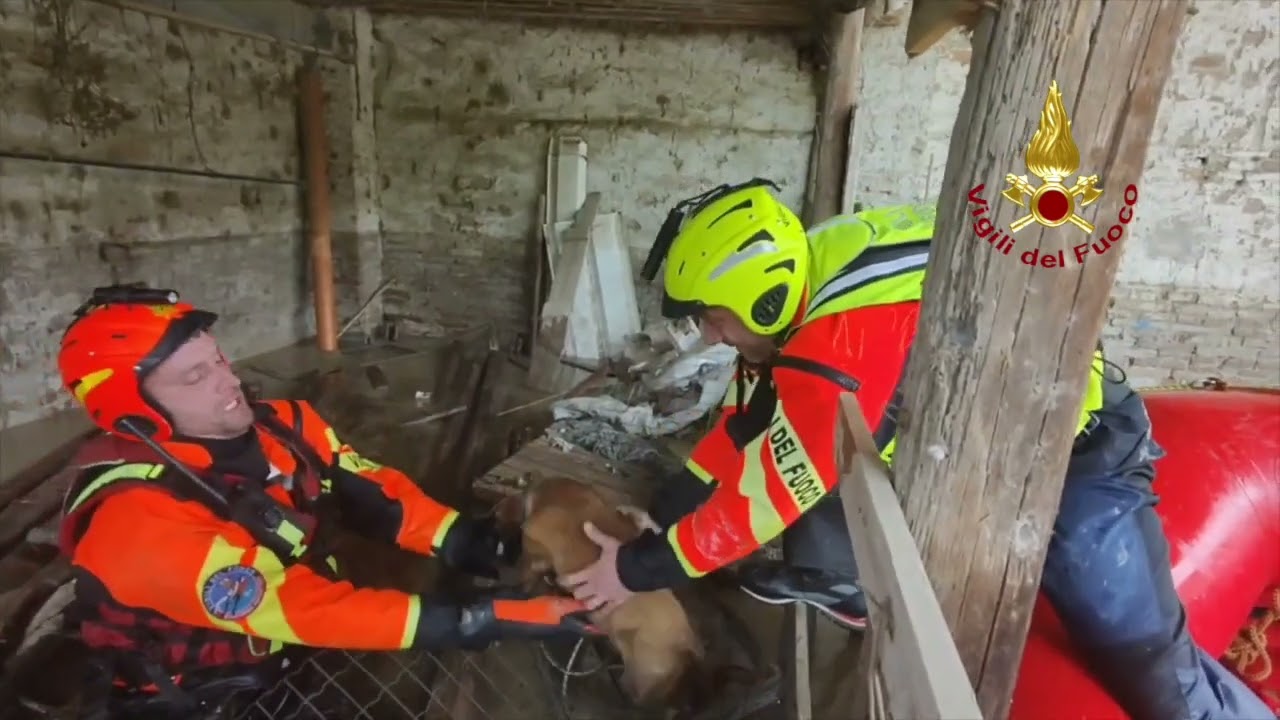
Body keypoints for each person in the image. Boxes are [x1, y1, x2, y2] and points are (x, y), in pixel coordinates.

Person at [561, 180, 1272, 720]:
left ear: (764, 301)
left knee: (1147, 666)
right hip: (990, 456)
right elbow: (750, 419)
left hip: (1076, 462)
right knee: (837, 518)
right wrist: (666, 508)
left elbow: (763, 499)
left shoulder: (836, 346)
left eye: (715, 321)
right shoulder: (813, 266)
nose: (713, 336)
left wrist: (638, 567)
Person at [53, 284, 595, 719]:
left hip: (289, 653)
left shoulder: (286, 426)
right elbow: (303, 605)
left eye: (218, 359)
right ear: (134, 413)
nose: (229, 380)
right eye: (196, 376)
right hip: (200, 694)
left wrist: (475, 543)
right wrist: (482, 619)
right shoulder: (137, 524)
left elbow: (378, 497)